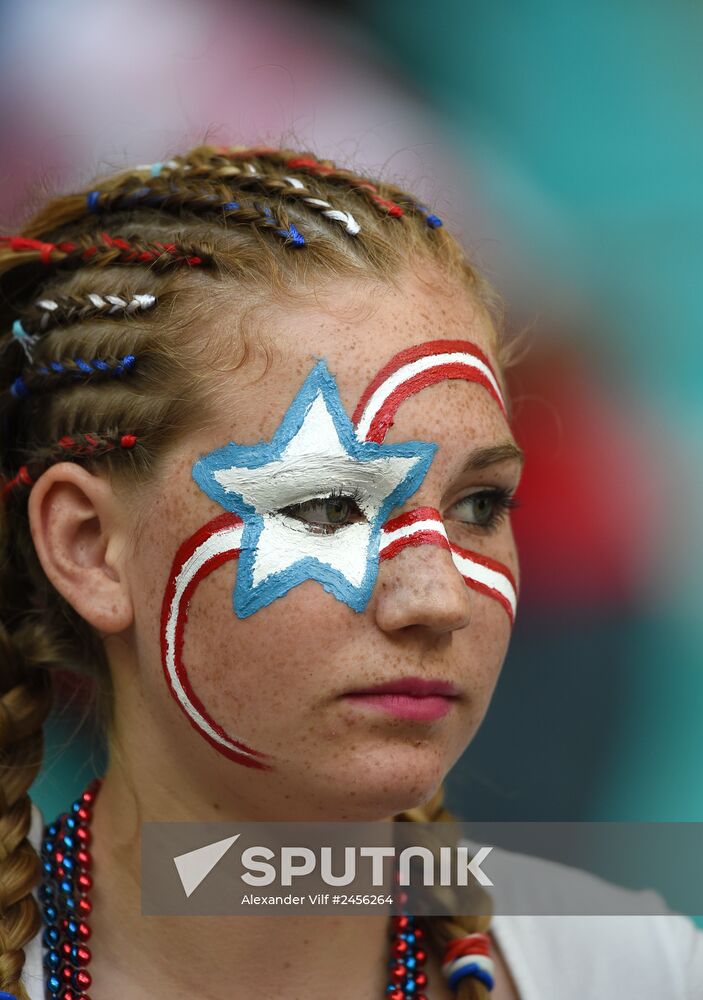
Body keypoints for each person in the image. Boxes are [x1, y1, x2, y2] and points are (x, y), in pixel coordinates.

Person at [0, 145, 700, 1000]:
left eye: (479, 504)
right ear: (87, 547)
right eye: (328, 506)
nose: (437, 598)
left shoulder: (637, 974)